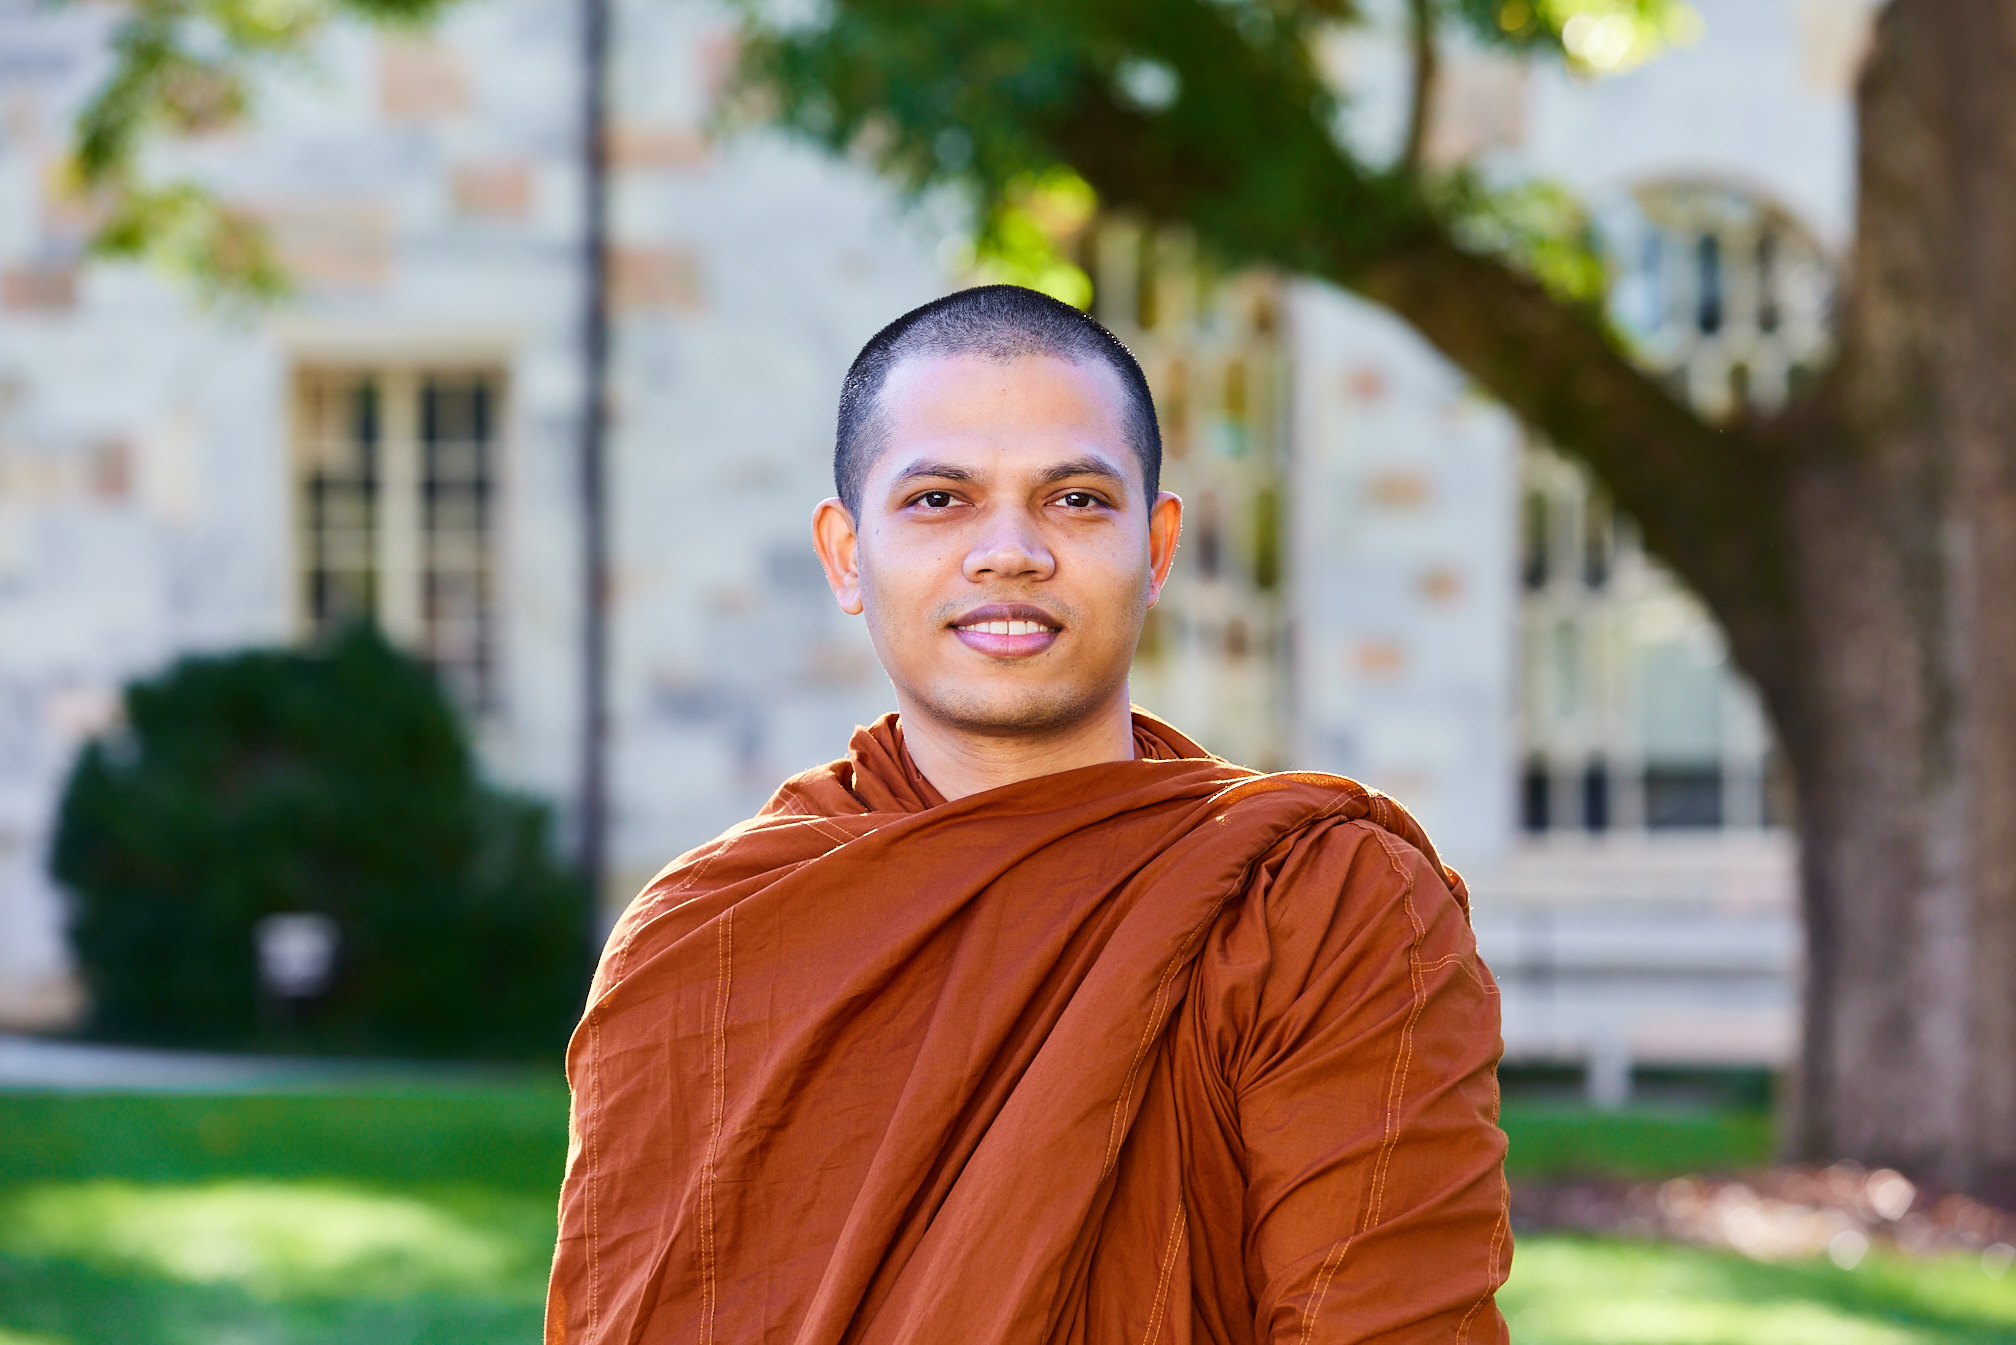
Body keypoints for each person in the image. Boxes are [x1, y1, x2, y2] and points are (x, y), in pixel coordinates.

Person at [547, 285, 1510, 1344]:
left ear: (1157, 546)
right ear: (843, 554)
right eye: (938, 500)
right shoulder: (702, 941)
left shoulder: (1321, 906)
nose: (1010, 551)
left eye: (1077, 499)